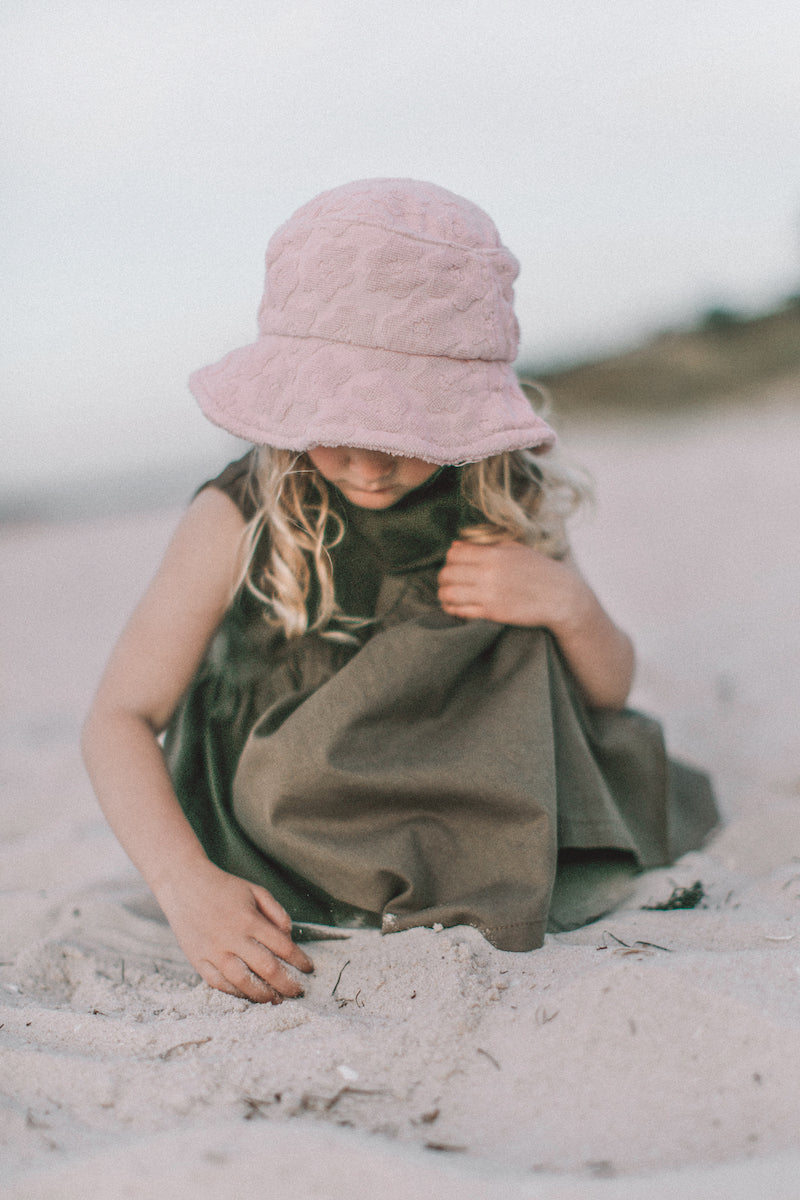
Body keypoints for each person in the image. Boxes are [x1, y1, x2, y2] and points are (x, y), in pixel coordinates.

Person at [82, 178, 717, 1005]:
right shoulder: (238, 513)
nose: (373, 463)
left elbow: (610, 690)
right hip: (296, 799)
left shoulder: (497, 493)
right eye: (340, 427)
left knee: (519, 617)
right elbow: (118, 718)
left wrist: (567, 604)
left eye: (413, 431)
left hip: (465, 771)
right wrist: (183, 883)